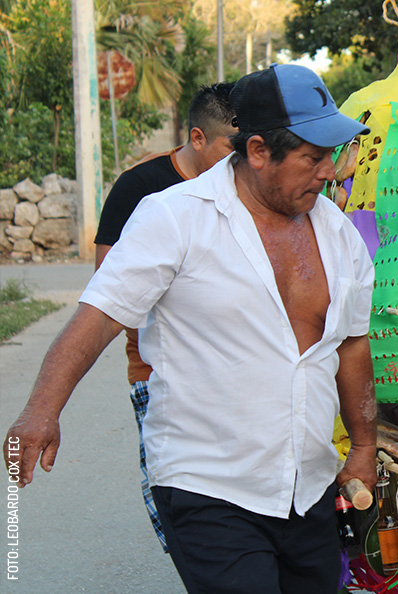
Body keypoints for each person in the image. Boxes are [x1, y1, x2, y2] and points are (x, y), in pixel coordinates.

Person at [4, 63, 378, 594]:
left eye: (332, 156)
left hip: (306, 484)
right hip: (208, 483)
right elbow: (101, 312)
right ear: (257, 151)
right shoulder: (174, 217)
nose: (329, 172)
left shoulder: (339, 233)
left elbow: (352, 343)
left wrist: (363, 443)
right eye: (313, 157)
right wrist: (41, 408)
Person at [92, 81, 236, 552]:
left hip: (238, 367)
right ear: (197, 138)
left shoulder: (246, 187)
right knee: (178, 495)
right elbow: (109, 288)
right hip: (160, 372)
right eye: (231, 147)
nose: (243, 159)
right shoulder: (141, 188)